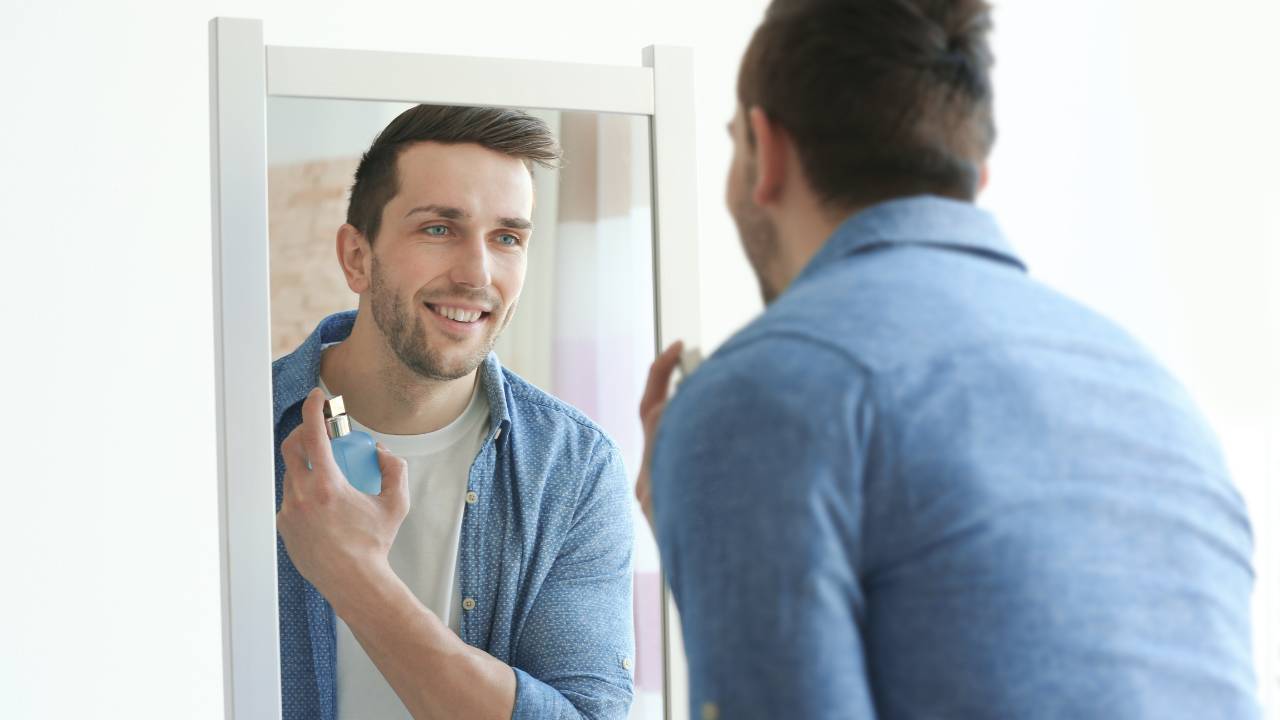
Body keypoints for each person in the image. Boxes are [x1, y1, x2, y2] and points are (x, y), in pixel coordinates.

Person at [637, 1, 1261, 717]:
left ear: (764, 151)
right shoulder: (1155, 393)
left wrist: (714, 473)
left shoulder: (758, 394)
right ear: (977, 171)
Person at [273, 105, 634, 720]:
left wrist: (358, 577)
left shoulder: (572, 467)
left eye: (507, 238)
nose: (477, 273)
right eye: (439, 228)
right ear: (357, 257)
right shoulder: (222, 430)